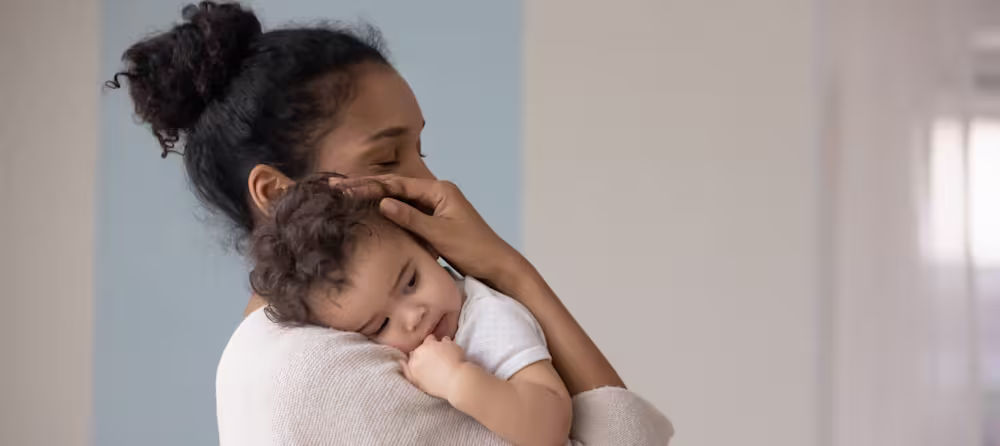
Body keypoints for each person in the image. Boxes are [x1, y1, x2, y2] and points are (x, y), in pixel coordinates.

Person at [108, 2, 673, 444]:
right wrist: (508, 269)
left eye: (421, 150)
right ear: (277, 193)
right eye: (386, 159)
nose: (435, 187)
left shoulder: (309, 345)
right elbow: (626, 439)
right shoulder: (317, 373)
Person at [249, 175, 572, 446]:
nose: (413, 316)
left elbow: (552, 422)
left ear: (427, 245)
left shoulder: (487, 318)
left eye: (411, 281)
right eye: (380, 325)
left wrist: (460, 381)